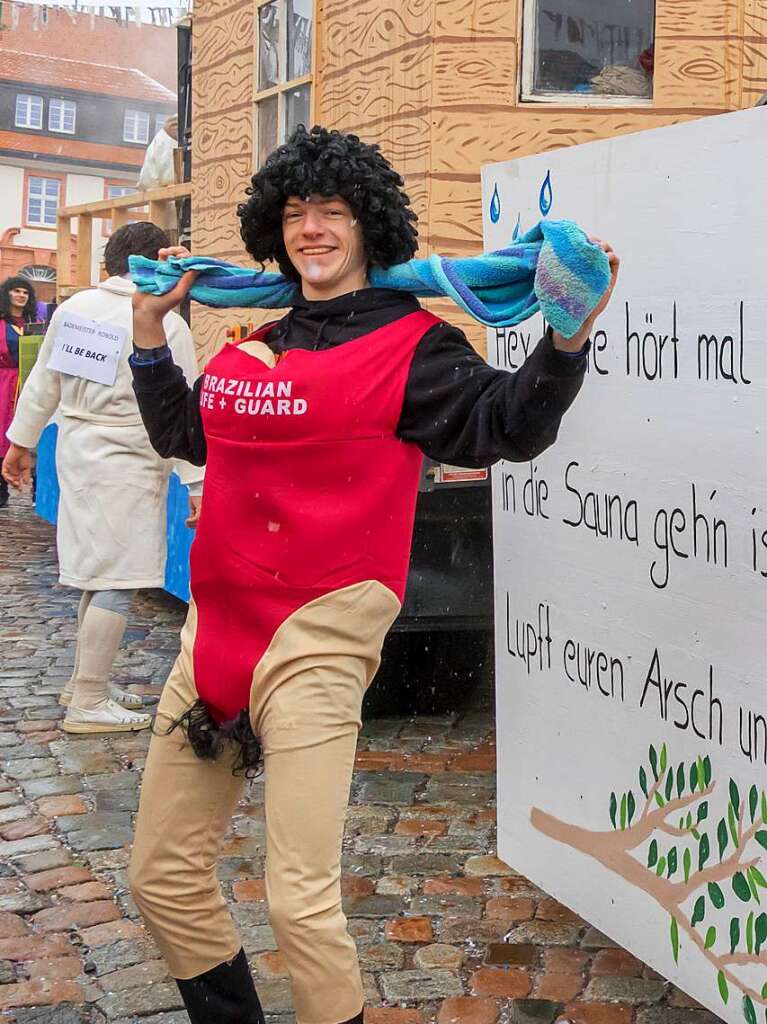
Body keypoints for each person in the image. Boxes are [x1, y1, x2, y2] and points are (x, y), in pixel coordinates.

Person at [126, 125, 619, 1024]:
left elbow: (502, 428)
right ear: (274, 229)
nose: (312, 229)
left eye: (333, 212)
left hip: (316, 646)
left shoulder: (414, 345)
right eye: (296, 213)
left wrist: (567, 332)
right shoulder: (253, 338)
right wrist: (151, 338)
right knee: (159, 877)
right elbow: (189, 438)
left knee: (297, 903)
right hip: (211, 641)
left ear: (369, 226)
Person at [2, 222, 203, 735]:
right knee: (118, 578)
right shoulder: (163, 321)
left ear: (109, 262)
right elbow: (179, 411)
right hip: (132, 456)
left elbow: (43, 381)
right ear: (158, 263)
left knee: (96, 572)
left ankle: (83, 681)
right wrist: (197, 484)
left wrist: (20, 443)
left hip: (77, 450)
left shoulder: (75, 309)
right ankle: (88, 700)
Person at [0, 276, 38, 509]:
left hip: (31, 382)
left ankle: (36, 487)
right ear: (7, 294)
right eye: (16, 291)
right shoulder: (2, 324)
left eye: (25, 292)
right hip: (5, 382)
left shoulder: (35, 323)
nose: (21, 295)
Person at [138, 114, 178, 191]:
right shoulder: (163, 140)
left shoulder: (161, 139)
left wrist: (143, 184)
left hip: (170, 197)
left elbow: (147, 181)